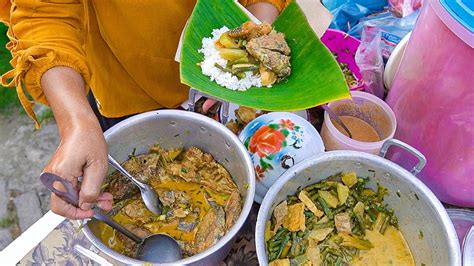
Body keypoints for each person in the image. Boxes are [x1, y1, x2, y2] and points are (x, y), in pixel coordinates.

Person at [0, 0, 290, 220]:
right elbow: (46, 15)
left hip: (225, 66)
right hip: (126, 84)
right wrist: (76, 123)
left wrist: (254, 40)